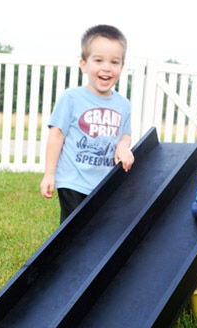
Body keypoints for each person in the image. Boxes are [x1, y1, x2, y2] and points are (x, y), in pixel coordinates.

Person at [40, 25, 135, 223]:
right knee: (73, 230)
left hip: (104, 182)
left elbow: (125, 134)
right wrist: (49, 174)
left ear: (122, 66)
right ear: (83, 64)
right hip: (72, 180)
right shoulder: (71, 98)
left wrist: (123, 146)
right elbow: (56, 135)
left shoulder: (123, 105)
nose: (107, 68)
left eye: (114, 62)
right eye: (98, 60)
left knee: (99, 229)